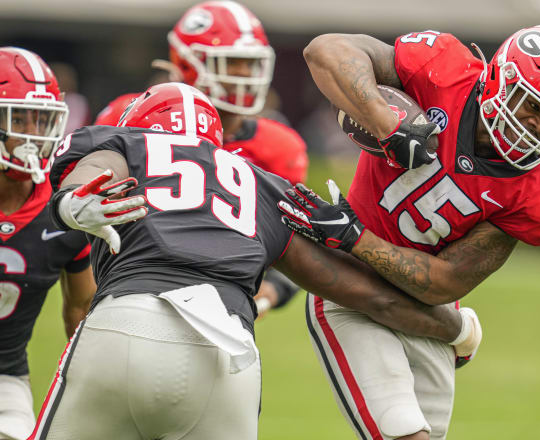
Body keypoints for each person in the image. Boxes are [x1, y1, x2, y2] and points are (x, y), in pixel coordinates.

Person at [29, 82, 480, 440]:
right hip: (228, 357)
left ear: (138, 129)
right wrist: (454, 328)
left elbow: (96, 169)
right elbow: (368, 296)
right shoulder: (261, 187)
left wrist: (70, 202)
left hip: (126, 323)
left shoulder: (122, 143)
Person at [278, 25, 540, 440]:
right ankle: (463, 333)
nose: (537, 126)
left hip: (423, 312)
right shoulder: (442, 70)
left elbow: (443, 282)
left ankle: (461, 332)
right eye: (530, 105)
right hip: (348, 288)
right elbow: (324, 50)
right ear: (501, 80)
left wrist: (356, 237)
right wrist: (385, 121)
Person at [97, 0, 309, 315]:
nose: (243, 74)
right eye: (232, 62)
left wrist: (274, 288)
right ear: (187, 63)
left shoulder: (279, 146)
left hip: (223, 296)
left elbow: (293, 242)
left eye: (249, 64)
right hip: (132, 280)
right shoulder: (131, 115)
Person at [0, 47, 95, 440]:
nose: (31, 133)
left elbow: (81, 312)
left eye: (41, 119)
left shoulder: (64, 209)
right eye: (17, 117)